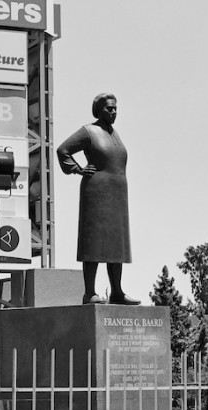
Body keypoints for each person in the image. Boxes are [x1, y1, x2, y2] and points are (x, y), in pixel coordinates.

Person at [56, 93, 139, 305]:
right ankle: (89, 292)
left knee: (116, 244)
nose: (113, 112)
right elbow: (63, 150)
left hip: (118, 193)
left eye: (115, 108)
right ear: (98, 110)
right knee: (93, 242)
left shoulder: (115, 134)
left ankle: (117, 291)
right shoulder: (89, 131)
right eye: (108, 108)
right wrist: (77, 169)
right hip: (96, 191)